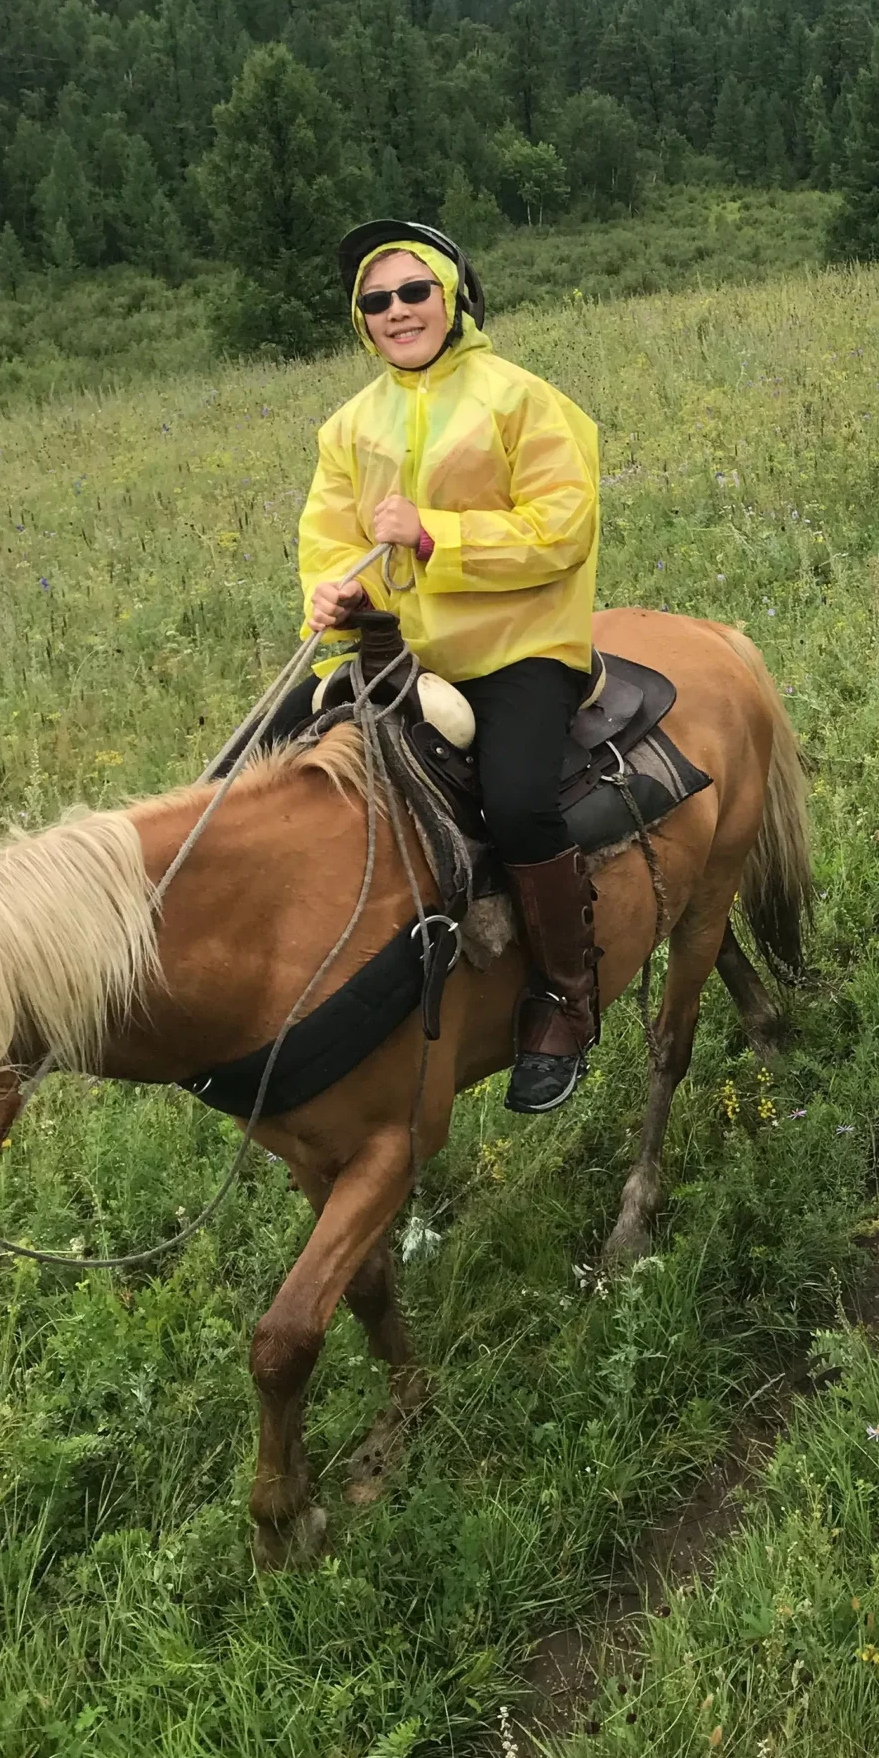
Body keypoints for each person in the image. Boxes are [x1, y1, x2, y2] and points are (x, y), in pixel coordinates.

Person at [285, 218, 605, 1116]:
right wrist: (334, 600)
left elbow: (563, 529)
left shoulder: (522, 400)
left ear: (452, 293)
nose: (397, 311)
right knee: (281, 772)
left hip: (519, 645)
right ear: (363, 320)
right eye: (376, 301)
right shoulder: (347, 427)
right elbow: (330, 541)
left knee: (516, 800)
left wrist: (434, 536)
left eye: (413, 291)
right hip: (402, 653)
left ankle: (565, 1000)